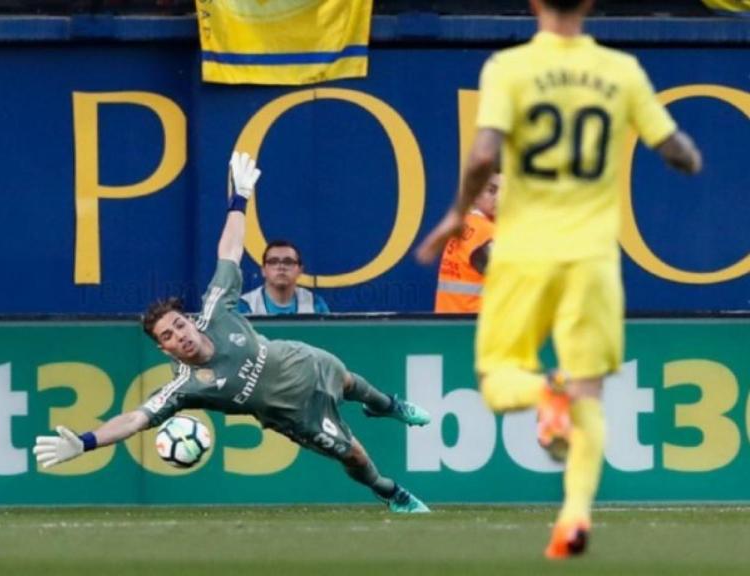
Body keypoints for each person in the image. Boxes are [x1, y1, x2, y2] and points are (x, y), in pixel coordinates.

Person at [415, 0, 702, 559]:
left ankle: (543, 394)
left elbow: (482, 155)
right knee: (589, 391)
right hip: (591, 257)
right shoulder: (621, 72)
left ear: (534, 4)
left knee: (498, 380)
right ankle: (573, 517)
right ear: (590, 4)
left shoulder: (510, 68)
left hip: (525, 249)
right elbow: (678, 152)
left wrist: (457, 212)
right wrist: (685, 155)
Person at [35, 151, 432, 512]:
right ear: (164, 349)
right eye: (169, 336)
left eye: (179, 324)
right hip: (296, 416)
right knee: (356, 457)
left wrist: (239, 199)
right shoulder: (185, 388)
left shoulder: (215, 309)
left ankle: (389, 406)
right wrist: (86, 442)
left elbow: (229, 251)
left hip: (301, 360)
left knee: (349, 382)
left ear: (188, 320)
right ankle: (389, 492)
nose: (180, 334)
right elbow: (134, 419)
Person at [434, 173, 499, 313]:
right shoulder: (485, 232)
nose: (499, 198)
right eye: (491, 190)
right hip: (472, 325)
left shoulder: (463, 225)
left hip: (445, 323)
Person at [237, 240, 331, 315]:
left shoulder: (315, 304)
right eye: (273, 261)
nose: (281, 267)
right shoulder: (245, 305)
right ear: (263, 270)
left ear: (300, 270)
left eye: (288, 262)